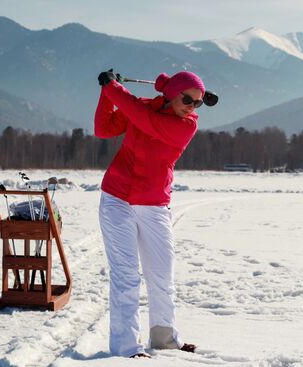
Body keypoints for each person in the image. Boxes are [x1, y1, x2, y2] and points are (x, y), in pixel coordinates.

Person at [94, 69, 205, 358]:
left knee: (161, 273)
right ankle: (127, 347)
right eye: (188, 99)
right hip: (117, 198)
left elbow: (145, 120)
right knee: (126, 275)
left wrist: (113, 87)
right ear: (171, 94)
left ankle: (165, 337)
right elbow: (103, 128)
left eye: (198, 102)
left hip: (154, 204)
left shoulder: (186, 125)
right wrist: (106, 94)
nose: (192, 107)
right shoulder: (141, 106)